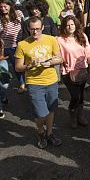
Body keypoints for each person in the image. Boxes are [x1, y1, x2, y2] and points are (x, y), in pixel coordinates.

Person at [15, 16, 64, 149]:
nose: (35, 32)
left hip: (51, 80)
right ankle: (40, 132)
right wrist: (29, 65)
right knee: (41, 112)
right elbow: (18, 67)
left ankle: (49, 133)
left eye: (37, 29)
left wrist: (50, 62)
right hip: (34, 83)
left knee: (51, 110)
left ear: (42, 28)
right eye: (32, 29)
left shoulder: (51, 39)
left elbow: (59, 58)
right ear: (28, 29)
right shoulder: (22, 44)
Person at [57, 15, 90, 129]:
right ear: (64, 26)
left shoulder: (82, 36)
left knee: (81, 95)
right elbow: (57, 55)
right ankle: (72, 115)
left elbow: (88, 52)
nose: (70, 27)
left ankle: (80, 115)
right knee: (75, 96)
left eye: (72, 24)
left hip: (82, 70)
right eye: (68, 25)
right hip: (68, 72)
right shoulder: (59, 40)